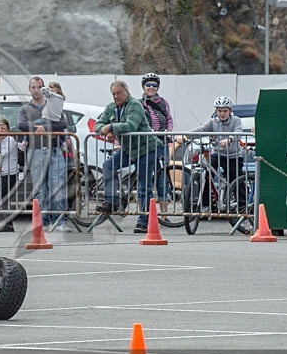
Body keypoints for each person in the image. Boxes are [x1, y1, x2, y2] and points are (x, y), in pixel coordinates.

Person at [94, 80, 163, 234]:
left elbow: (131, 125)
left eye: (118, 93)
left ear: (126, 92)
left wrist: (111, 127)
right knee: (108, 166)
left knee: (143, 186)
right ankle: (111, 200)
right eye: (113, 94)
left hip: (146, 148)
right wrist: (106, 130)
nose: (116, 97)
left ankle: (143, 221)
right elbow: (98, 124)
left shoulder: (135, 105)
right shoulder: (111, 108)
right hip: (128, 149)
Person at [17, 76, 71, 232]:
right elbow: (21, 124)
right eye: (33, 87)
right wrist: (36, 129)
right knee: (40, 188)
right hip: (36, 152)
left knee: (58, 185)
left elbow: (62, 123)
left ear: (43, 88)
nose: (36, 90)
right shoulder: (25, 109)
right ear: (29, 89)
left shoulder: (53, 104)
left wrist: (45, 128)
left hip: (55, 150)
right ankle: (43, 221)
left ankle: (60, 221)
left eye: (39, 87)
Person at [177, 96, 243, 186]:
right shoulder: (213, 122)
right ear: (216, 111)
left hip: (233, 156)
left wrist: (229, 139)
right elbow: (201, 130)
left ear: (230, 111)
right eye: (220, 111)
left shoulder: (236, 120)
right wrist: (186, 136)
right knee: (206, 175)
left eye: (225, 111)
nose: (222, 114)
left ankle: (241, 200)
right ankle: (206, 199)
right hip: (217, 154)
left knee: (236, 181)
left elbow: (238, 133)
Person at [140, 72, 174, 215]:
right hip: (147, 145)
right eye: (148, 85)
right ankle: (145, 212)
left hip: (162, 144)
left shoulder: (163, 102)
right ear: (143, 87)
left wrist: (168, 132)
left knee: (162, 177)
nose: (151, 87)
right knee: (146, 177)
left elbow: (169, 119)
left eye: (154, 85)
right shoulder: (139, 103)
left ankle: (164, 214)